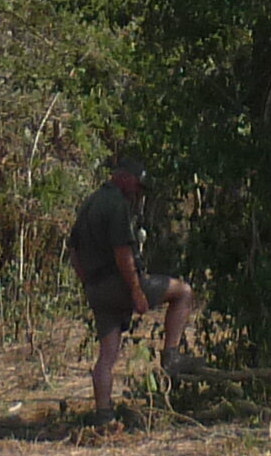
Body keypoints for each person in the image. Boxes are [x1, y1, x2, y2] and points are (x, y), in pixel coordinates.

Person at [66, 150, 194, 421]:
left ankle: (103, 413)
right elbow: (123, 252)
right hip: (119, 283)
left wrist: (87, 282)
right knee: (183, 292)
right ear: (124, 178)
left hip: (97, 288)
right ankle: (171, 355)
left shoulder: (91, 202)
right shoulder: (116, 205)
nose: (139, 192)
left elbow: (74, 249)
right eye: (137, 185)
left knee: (107, 356)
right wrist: (137, 290)